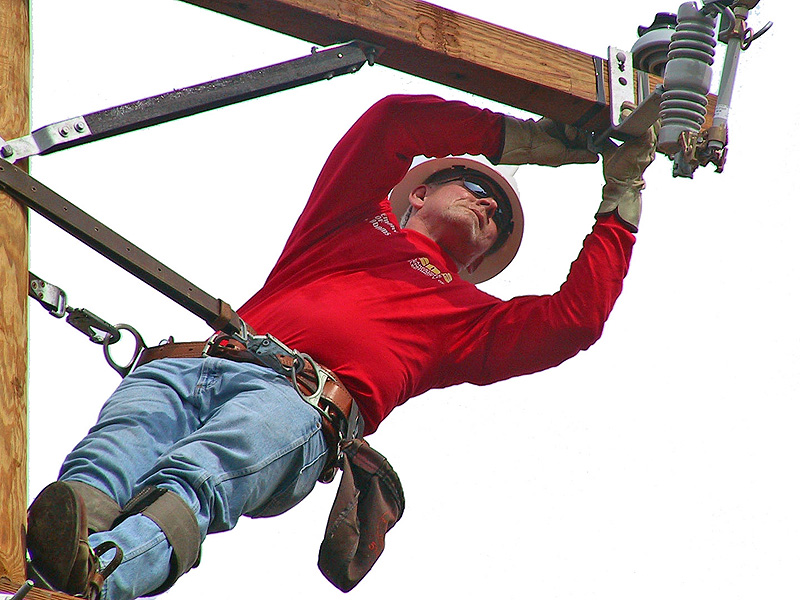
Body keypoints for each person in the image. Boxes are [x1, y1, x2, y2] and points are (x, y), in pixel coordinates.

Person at [25, 94, 657, 600]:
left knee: (198, 478)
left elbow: (575, 319)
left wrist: (621, 193)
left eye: (499, 217)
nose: (488, 200)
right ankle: (51, 573)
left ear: (485, 259)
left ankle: (99, 577)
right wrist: (525, 141)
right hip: (190, 365)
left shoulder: (468, 322)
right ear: (417, 193)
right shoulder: (348, 221)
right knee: (102, 466)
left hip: (299, 405)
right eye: (468, 183)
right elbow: (392, 123)